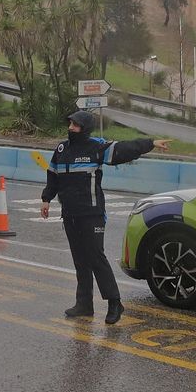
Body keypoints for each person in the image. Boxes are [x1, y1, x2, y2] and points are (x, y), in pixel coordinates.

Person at [41, 110, 170, 324]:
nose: (70, 128)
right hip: (70, 214)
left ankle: (114, 302)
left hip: (92, 214)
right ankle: (84, 304)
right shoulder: (62, 149)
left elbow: (124, 149)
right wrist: (46, 198)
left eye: (75, 125)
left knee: (95, 257)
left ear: (85, 128)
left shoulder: (96, 147)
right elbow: (53, 175)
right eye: (70, 124)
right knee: (80, 260)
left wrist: (150, 143)